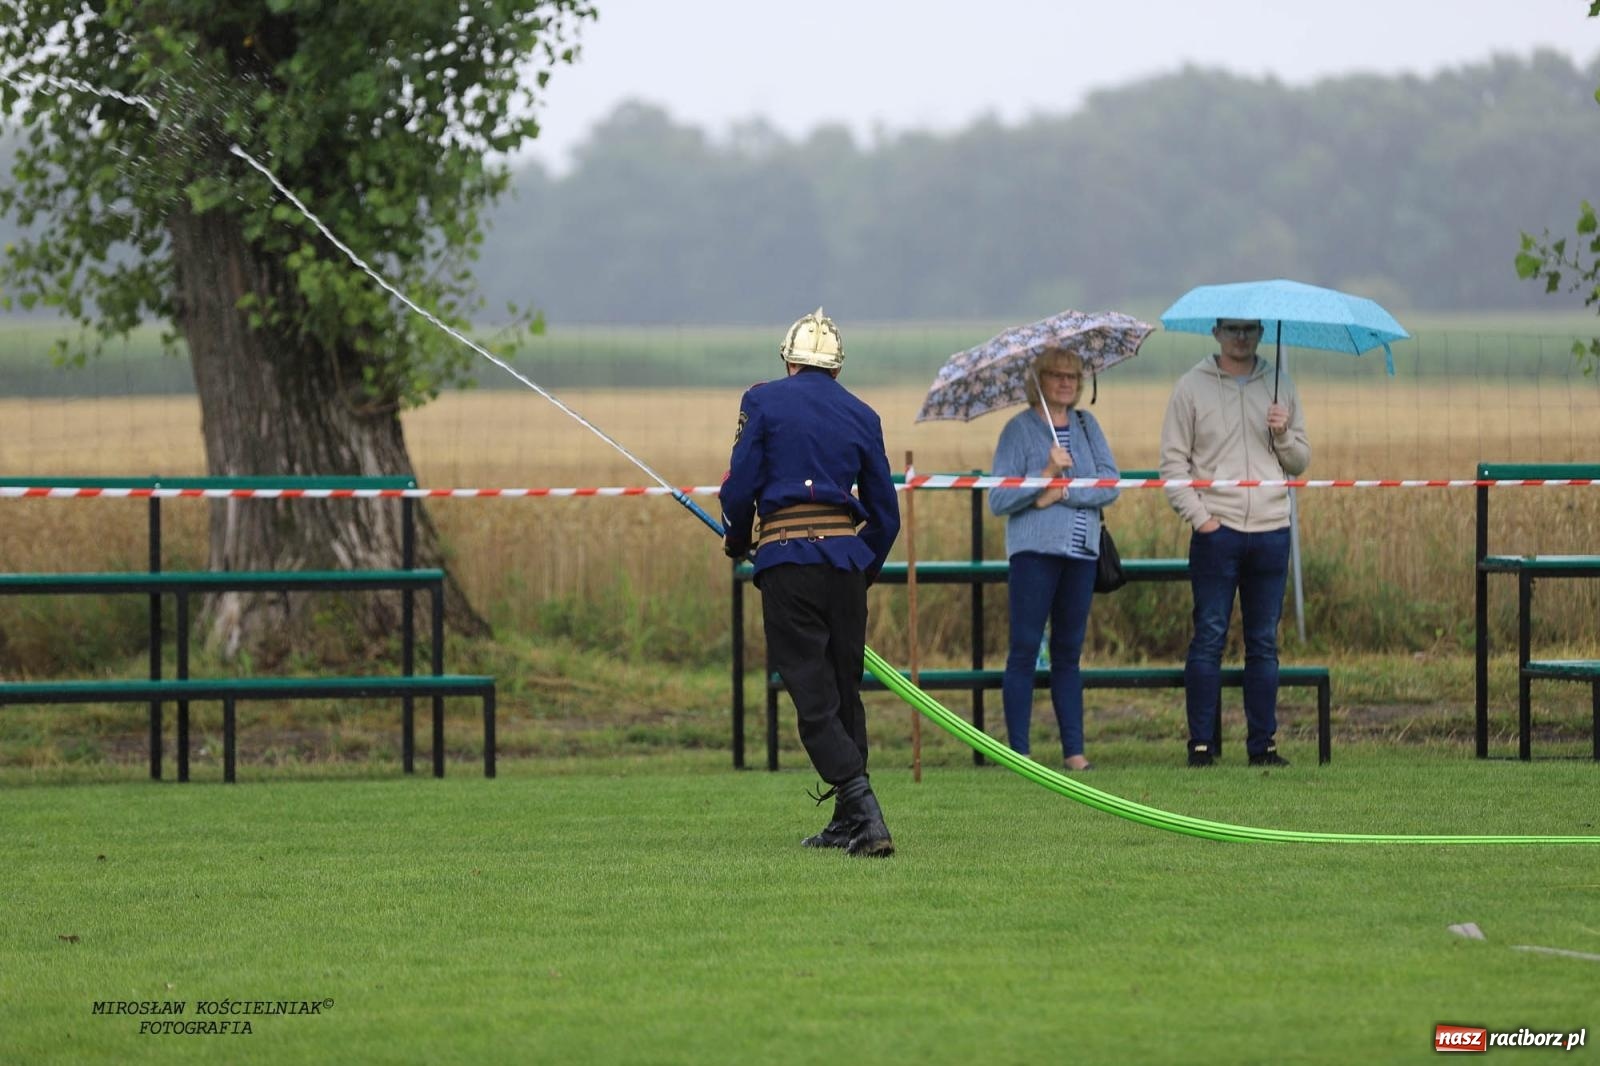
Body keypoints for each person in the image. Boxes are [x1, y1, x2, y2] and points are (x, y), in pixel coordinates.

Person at [720, 308, 902, 857]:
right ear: (837, 370)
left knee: (814, 696)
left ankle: (864, 810)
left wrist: (737, 540)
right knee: (846, 693)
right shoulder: (863, 414)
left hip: (786, 563)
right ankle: (849, 822)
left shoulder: (763, 400)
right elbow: (885, 515)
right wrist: (860, 568)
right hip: (845, 567)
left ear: (790, 361)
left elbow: (737, 490)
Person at [1159, 318, 1311, 768]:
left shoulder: (1280, 384)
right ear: (1216, 332)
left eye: (1248, 329)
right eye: (1231, 329)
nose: (1240, 337)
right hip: (1217, 532)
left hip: (1271, 530)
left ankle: (1262, 745)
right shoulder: (1190, 387)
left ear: (1262, 332)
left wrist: (1283, 433)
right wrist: (1202, 519)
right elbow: (1172, 466)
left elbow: (1300, 462)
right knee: (1209, 637)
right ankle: (1201, 745)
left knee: (1263, 642)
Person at [988, 349, 1120, 771]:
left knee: (1068, 652)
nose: (1066, 383)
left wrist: (1062, 493)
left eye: (1072, 376)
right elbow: (999, 498)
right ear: (1038, 380)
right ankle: (1020, 752)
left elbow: (1110, 484)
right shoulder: (1017, 431)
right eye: (1056, 375)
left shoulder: (1086, 424)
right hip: (1034, 554)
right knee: (1024, 649)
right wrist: (1043, 475)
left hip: (1082, 552)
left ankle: (1074, 752)